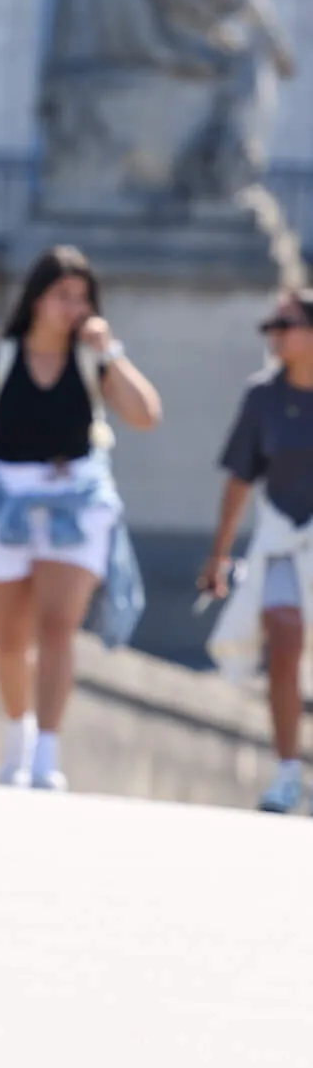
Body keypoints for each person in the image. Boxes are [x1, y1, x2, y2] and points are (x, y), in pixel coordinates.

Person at [0, 246, 162, 793]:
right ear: (37, 299)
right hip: (2, 502)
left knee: (58, 626)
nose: (74, 309)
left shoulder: (91, 362)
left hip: (74, 503)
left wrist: (112, 353)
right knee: (9, 637)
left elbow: (146, 416)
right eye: (64, 296)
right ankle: (19, 733)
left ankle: (48, 754)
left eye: (83, 299)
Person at [201, 287, 313, 813]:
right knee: (283, 635)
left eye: (284, 325)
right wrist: (219, 555)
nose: (274, 335)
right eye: (270, 327)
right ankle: (288, 770)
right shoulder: (262, 397)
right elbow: (239, 480)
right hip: (283, 539)